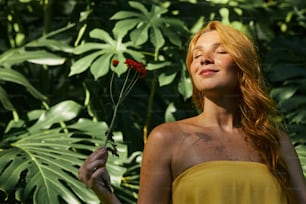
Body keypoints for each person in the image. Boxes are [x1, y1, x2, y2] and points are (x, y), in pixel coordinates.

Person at [78, 21, 306, 204]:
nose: (204, 59)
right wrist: (106, 196)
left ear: (242, 66)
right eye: (197, 56)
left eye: (220, 51)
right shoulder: (167, 138)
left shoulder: (275, 142)